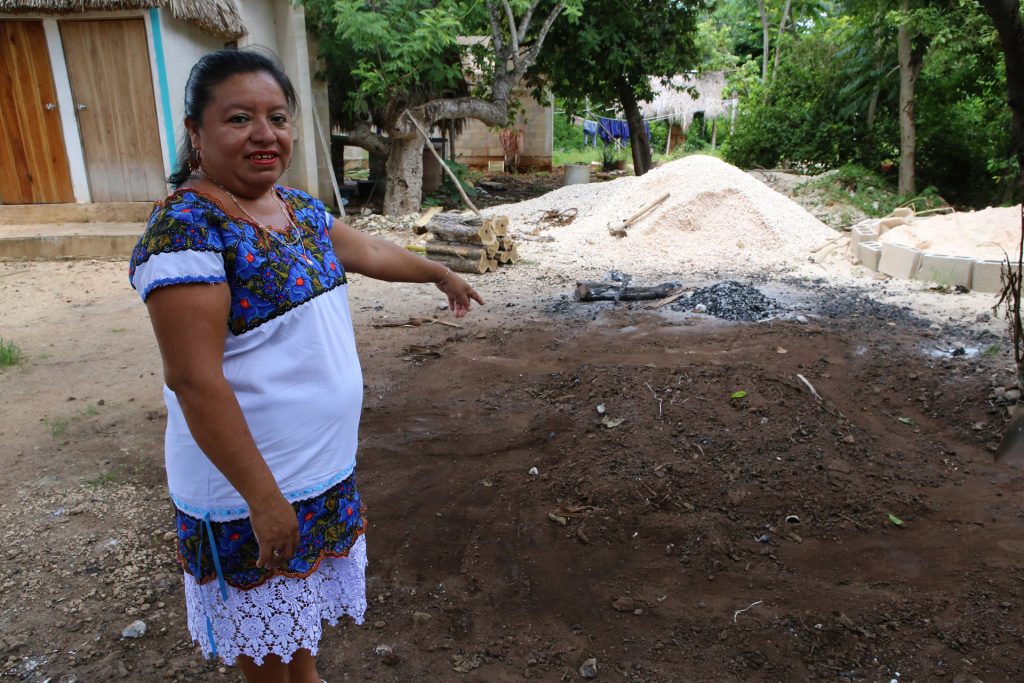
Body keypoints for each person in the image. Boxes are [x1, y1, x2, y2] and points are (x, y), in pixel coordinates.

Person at [128, 49, 483, 683]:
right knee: (266, 663)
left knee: (295, 646)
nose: (265, 134)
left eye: (278, 117)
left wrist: (438, 272)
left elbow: (369, 249)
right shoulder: (186, 230)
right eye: (239, 118)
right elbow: (194, 380)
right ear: (196, 132)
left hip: (317, 473)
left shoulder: (296, 208)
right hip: (249, 488)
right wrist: (263, 501)